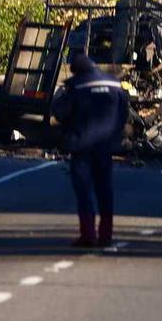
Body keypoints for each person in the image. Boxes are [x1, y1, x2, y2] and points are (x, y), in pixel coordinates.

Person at [51, 52, 131, 248]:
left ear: (76, 70)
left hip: (82, 144)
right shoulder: (114, 83)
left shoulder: (76, 85)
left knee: (83, 189)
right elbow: (124, 113)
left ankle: (88, 234)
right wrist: (114, 133)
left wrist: (69, 130)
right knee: (105, 189)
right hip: (105, 144)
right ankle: (106, 234)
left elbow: (60, 112)